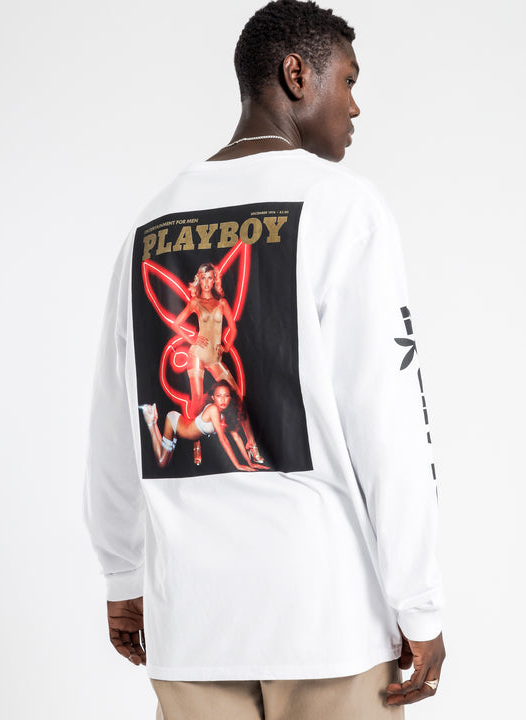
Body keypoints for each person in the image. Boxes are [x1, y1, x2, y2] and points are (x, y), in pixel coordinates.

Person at [83, 1, 446, 718]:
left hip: (191, 626)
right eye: (348, 80)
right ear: (295, 75)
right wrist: (420, 604)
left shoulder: (152, 223)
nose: (355, 106)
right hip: (326, 624)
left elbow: (115, 420)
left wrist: (122, 575)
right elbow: (390, 423)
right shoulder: (343, 208)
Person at [170, 261, 265, 465]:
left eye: (210, 278)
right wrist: (192, 340)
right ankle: (196, 443)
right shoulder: (195, 302)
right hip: (197, 355)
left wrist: (226, 346)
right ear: (200, 279)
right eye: (203, 278)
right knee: (197, 400)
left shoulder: (221, 303)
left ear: (214, 280)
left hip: (215, 358)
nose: (206, 282)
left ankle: (252, 445)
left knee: (237, 397)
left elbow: (233, 328)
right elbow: (177, 323)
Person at [139, 380, 267, 472]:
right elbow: (223, 439)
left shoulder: (224, 414)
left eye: (226, 396)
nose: (222, 400)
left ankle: (152, 421)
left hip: (181, 426)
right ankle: (151, 422)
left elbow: (237, 438)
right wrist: (237, 465)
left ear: (230, 398)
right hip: (174, 423)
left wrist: (249, 463)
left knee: (165, 463)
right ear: (213, 397)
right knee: (161, 463)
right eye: (219, 396)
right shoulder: (213, 410)